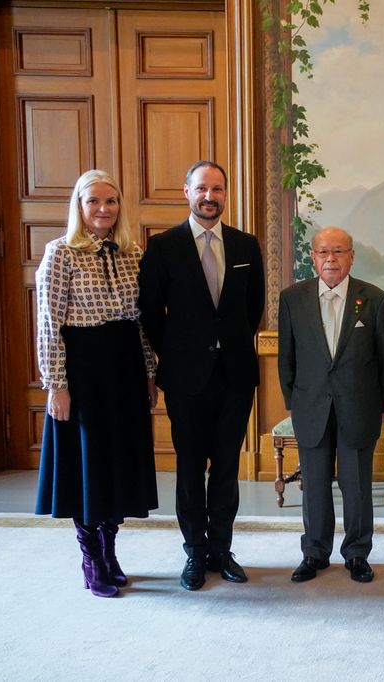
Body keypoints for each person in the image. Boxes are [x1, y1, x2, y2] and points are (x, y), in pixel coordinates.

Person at [138, 160, 265, 591]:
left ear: (226, 194)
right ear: (186, 192)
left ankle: (221, 550)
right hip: (186, 377)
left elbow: (254, 309)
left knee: (227, 467)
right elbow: (151, 315)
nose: (209, 197)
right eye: (201, 189)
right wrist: (180, 353)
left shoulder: (246, 246)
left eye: (217, 189)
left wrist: (224, 346)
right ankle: (194, 552)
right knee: (191, 467)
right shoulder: (164, 246)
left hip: (235, 375)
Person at [35, 170, 159, 598]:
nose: (103, 209)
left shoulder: (132, 253)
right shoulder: (60, 252)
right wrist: (56, 384)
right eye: (94, 201)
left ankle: (110, 550)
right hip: (82, 370)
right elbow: (49, 323)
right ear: (79, 206)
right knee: (88, 464)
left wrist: (148, 372)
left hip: (124, 367)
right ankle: (91, 557)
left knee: (118, 462)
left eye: (111, 201)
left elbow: (140, 321)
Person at [278, 227, 384, 584]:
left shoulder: (374, 299)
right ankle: (314, 553)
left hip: (358, 407)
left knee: (356, 484)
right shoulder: (292, 299)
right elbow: (287, 358)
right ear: (313, 257)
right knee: (314, 484)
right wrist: (292, 401)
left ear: (351, 256)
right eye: (323, 252)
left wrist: (383, 405)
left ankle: (357, 553)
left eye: (339, 252)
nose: (331, 259)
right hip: (311, 406)